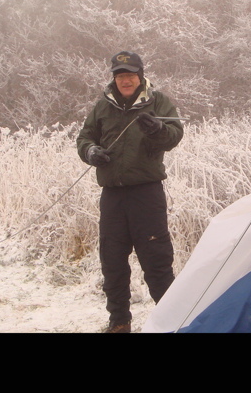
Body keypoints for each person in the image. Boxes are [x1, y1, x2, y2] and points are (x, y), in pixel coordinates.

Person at [77, 51, 184, 333]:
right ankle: (119, 321)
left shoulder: (158, 101)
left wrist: (158, 129)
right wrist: (91, 152)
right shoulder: (102, 106)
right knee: (112, 260)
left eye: (131, 75)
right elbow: (85, 137)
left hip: (147, 194)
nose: (126, 80)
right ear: (115, 77)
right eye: (121, 75)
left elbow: (174, 136)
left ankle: (171, 322)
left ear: (141, 75)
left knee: (157, 260)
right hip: (112, 196)